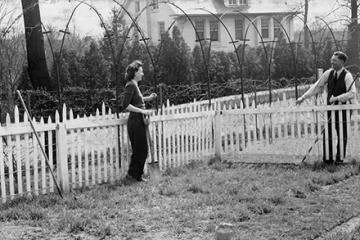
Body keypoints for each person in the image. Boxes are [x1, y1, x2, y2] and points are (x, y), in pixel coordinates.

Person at [296, 51, 357, 164]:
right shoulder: (328, 73)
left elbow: (352, 93)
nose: (331, 62)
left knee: (341, 134)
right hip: (330, 109)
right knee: (327, 133)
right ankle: (327, 159)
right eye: (331, 60)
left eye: (335, 60)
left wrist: (337, 98)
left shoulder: (347, 76)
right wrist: (303, 97)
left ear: (342, 62)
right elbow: (316, 86)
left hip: (343, 110)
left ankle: (339, 160)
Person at [121, 60, 157, 182]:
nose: (142, 73)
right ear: (135, 72)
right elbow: (125, 105)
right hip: (135, 121)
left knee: (140, 150)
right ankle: (133, 176)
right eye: (141, 71)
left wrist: (149, 98)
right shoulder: (130, 85)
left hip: (139, 121)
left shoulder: (134, 84)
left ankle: (135, 176)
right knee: (141, 150)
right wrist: (143, 111)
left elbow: (138, 100)